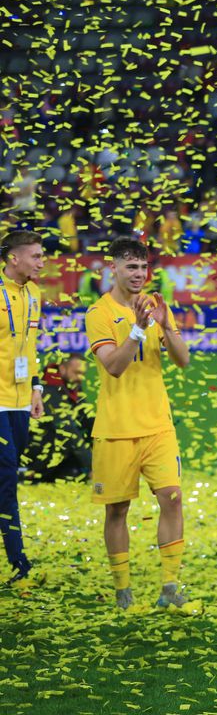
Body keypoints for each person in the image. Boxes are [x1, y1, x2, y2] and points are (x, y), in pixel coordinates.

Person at [86, 237, 195, 612]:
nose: (138, 274)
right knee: (116, 510)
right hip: (115, 428)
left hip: (157, 425)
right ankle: (123, 590)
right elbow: (114, 367)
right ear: (113, 268)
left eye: (143, 267)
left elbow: (183, 361)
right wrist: (136, 329)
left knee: (172, 498)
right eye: (130, 267)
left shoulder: (155, 307)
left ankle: (170, 586)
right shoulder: (98, 312)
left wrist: (166, 325)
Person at [0, 230, 44, 588]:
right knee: (7, 479)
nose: (42, 262)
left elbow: (31, 346)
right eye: (36, 256)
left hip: (19, 403)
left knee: (7, 479)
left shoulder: (34, 293)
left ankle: (17, 557)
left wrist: (37, 388)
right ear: (13, 258)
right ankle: (19, 559)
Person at [25, 353, 92, 482]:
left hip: (59, 452)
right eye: (77, 373)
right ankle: (33, 474)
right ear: (62, 369)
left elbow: (86, 419)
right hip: (38, 451)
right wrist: (92, 467)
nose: (80, 378)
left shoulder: (72, 386)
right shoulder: (48, 388)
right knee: (65, 433)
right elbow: (66, 428)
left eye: (83, 374)